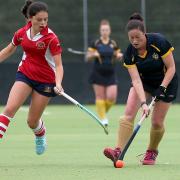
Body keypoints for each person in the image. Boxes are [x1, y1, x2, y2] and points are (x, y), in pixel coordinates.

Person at [103, 13, 178, 166]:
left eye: (138, 37)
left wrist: (162, 87)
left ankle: (152, 151)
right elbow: (136, 80)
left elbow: (171, 68)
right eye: (132, 38)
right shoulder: (130, 54)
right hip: (144, 82)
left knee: (157, 122)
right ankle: (118, 150)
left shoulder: (159, 42)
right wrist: (144, 103)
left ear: (144, 33)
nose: (135, 41)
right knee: (129, 113)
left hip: (167, 82)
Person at [0, 0, 64, 155]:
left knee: (32, 121)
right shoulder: (22, 33)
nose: (43, 23)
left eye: (45, 20)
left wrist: (58, 83)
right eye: (39, 20)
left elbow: (59, 65)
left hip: (46, 81)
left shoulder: (51, 38)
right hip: (25, 74)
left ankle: (40, 134)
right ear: (30, 19)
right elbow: (9, 50)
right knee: (9, 109)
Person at [86, 19, 123, 127]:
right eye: (103, 30)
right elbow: (88, 57)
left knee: (112, 97)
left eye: (106, 30)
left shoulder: (113, 43)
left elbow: (117, 54)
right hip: (98, 73)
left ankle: (101, 113)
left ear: (109, 31)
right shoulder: (96, 43)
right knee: (100, 96)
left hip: (110, 73)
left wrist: (119, 56)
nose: (105, 32)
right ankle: (103, 118)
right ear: (100, 31)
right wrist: (94, 55)